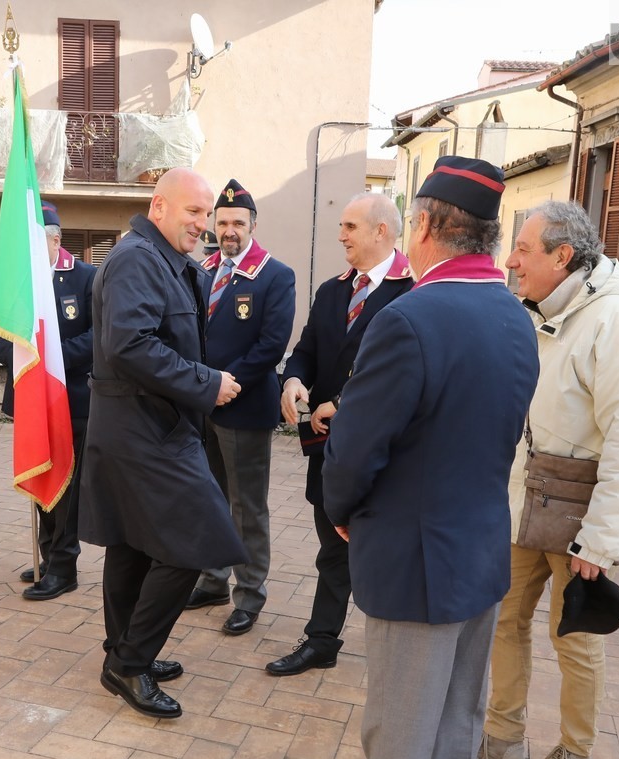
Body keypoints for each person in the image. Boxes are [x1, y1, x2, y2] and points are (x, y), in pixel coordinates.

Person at [295, 156, 539, 759]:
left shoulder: (409, 317)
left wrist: (342, 508)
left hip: (417, 552)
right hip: (479, 543)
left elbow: (356, 448)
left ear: (426, 226)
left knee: (397, 723)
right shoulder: (512, 312)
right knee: (458, 707)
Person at [477, 200, 619, 759]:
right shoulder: (542, 314)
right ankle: (504, 738)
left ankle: (576, 755)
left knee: (576, 638)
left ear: (563, 257)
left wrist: (603, 540)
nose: (511, 261)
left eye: (525, 250)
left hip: (580, 515)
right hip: (525, 501)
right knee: (503, 619)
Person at [80, 168, 246, 719]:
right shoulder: (136, 260)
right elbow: (130, 345)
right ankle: (131, 661)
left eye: (206, 213)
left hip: (152, 428)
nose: (202, 223)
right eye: (193, 212)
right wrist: (206, 383)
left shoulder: (166, 260)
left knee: (132, 545)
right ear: (158, 208)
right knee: (197, 542)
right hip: (143, 432)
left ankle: (123, 656)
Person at [270, 193, 413, 675]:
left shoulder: (414, 290)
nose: (340, 235)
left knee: (385, 551)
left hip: (385, 456)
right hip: (327, 449)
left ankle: (398, 651)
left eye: (350, 226)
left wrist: (348, 404)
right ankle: (322, 640)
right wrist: (293, 379)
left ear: (381, 231)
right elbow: (307, 348)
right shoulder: (334, 291)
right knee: (333, 547)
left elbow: (406, 377)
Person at [183, 180, 296, 635]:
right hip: (202, 405)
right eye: (223, 222)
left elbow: (271, 345)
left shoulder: (274, 275)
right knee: (208, 498)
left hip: (244, 406)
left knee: (246, 506)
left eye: (238, 223)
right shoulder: (201, 269)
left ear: (253, 225)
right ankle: (212, 578)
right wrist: (199, 386)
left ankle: (249, 594)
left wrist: (225, 385)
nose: (229, 230)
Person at [0, 201, 95, 598]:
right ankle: (47, 557)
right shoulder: (20, 282)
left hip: (73, 402)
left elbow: (100, 338)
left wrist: (52, 360)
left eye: (33, 245)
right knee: (38, 475)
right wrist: (27, 360)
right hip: (31, 400)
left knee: (66, 487)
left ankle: (65, 568)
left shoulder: (86, 278)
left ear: (55, 240)